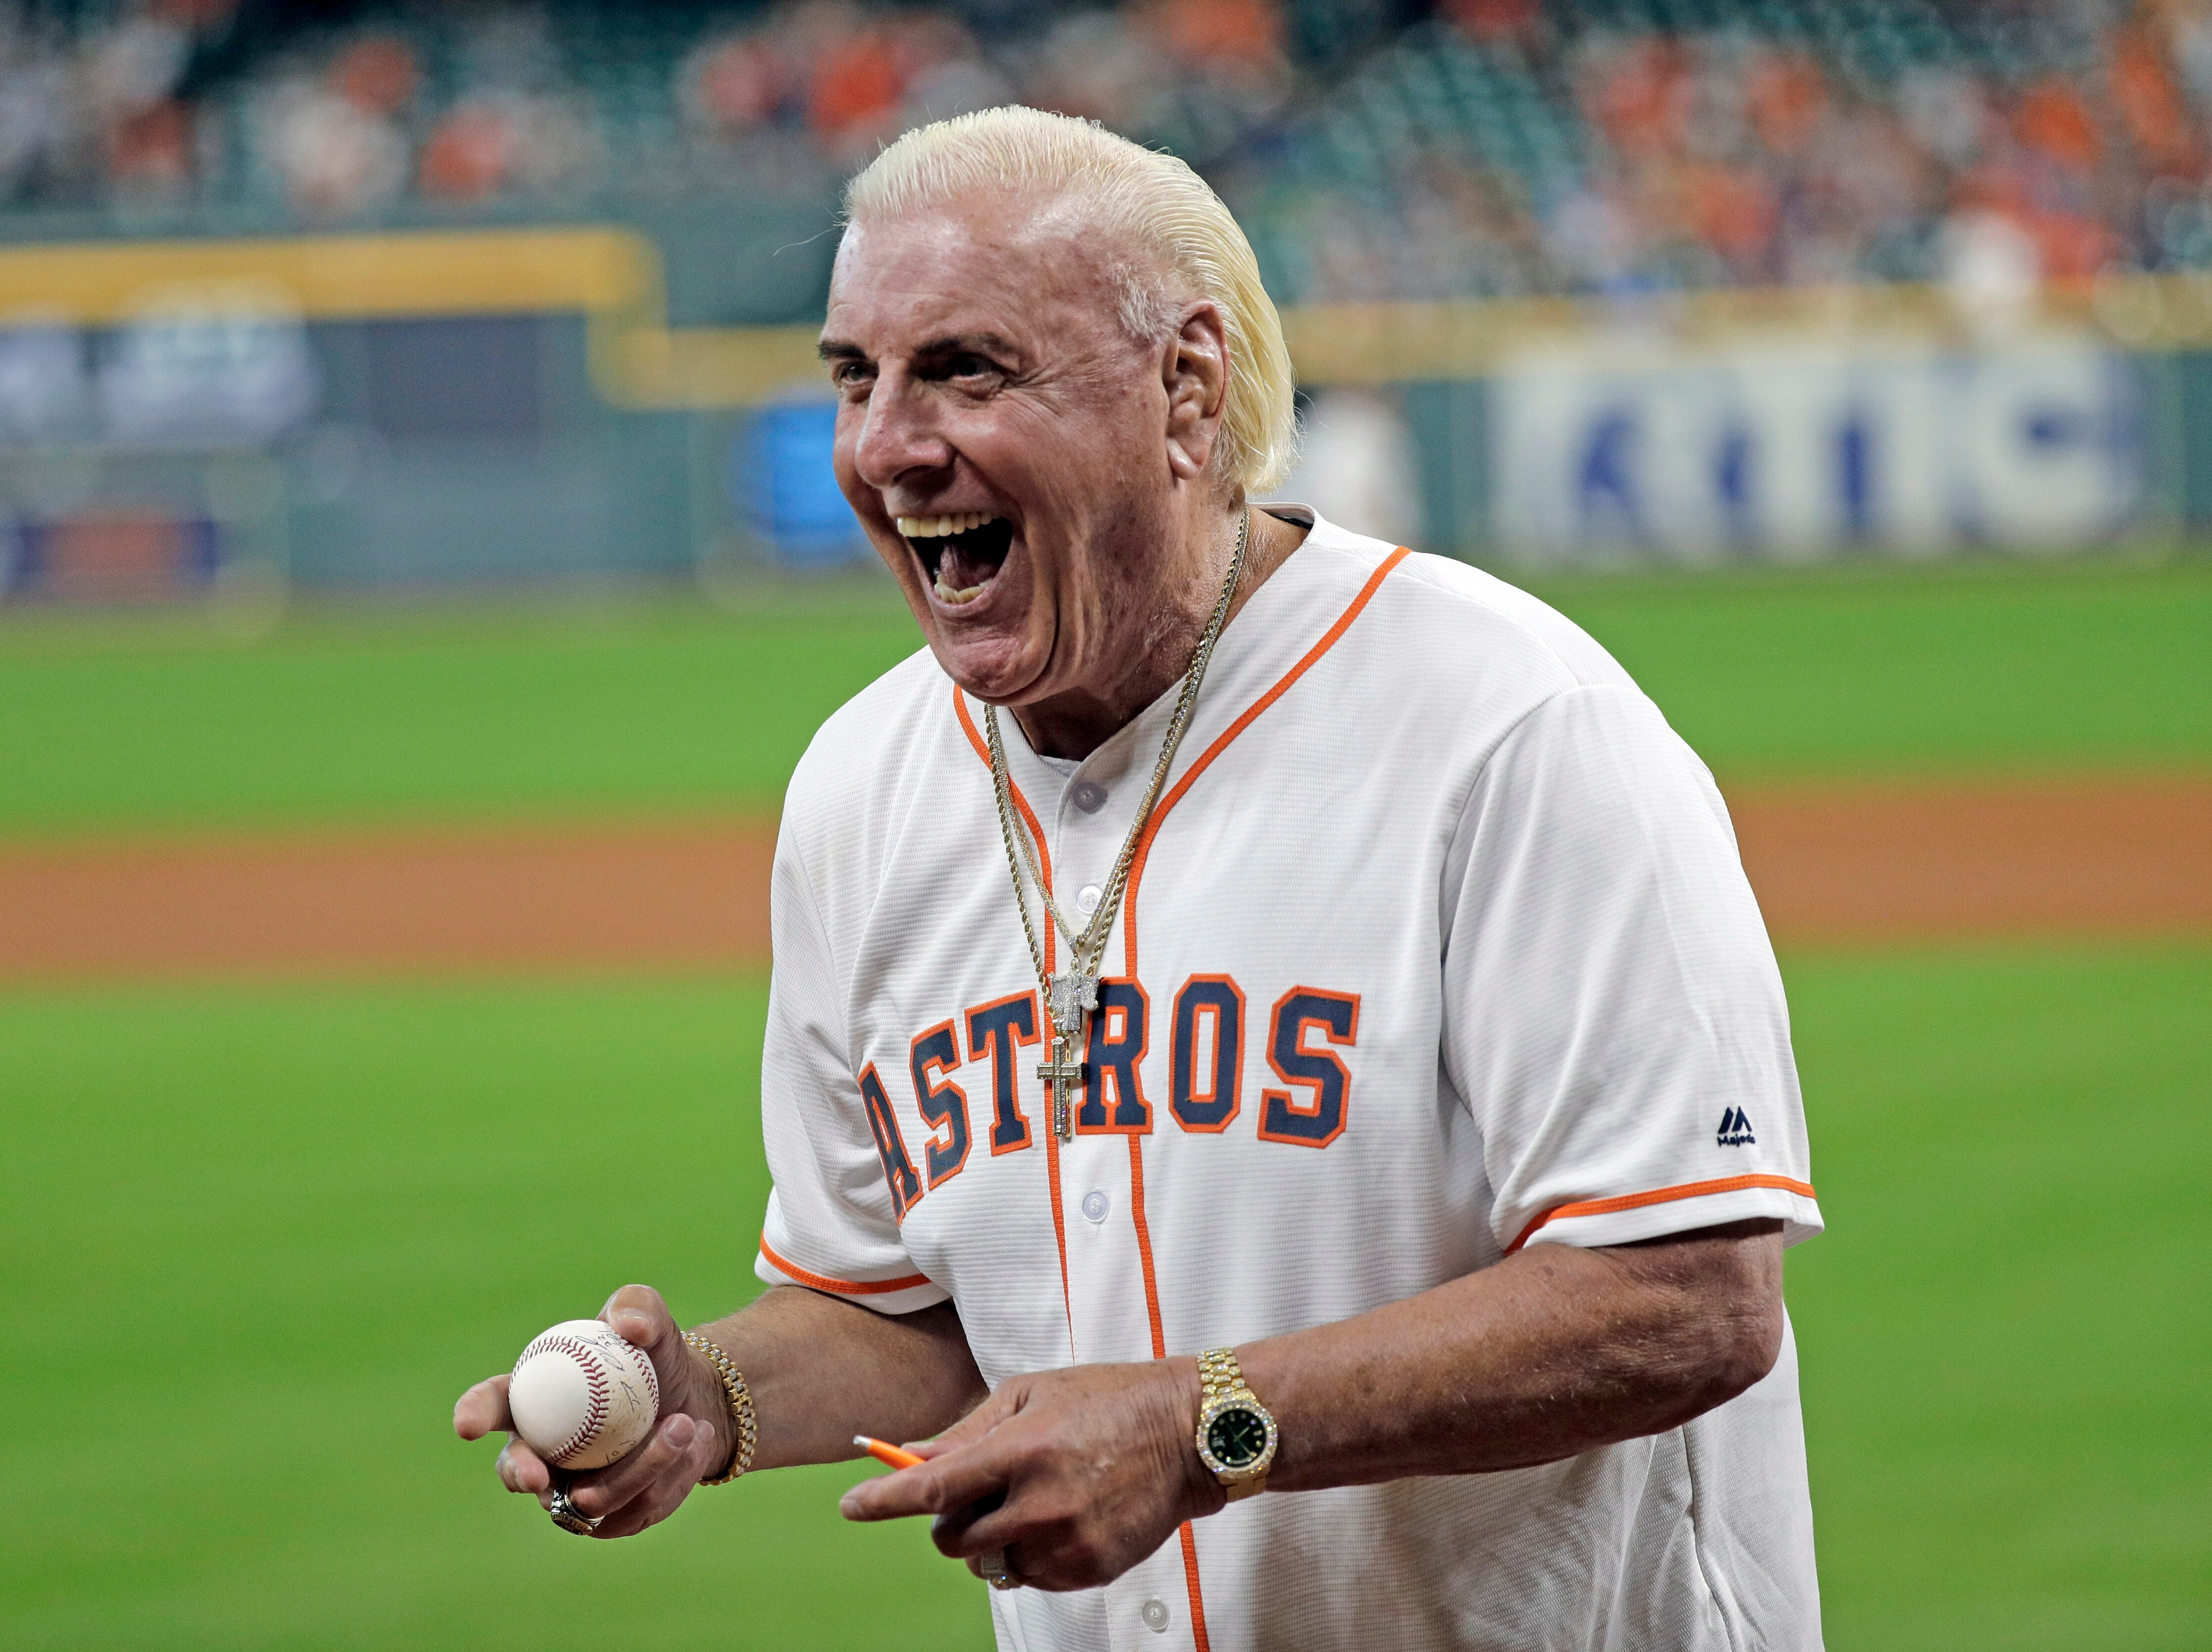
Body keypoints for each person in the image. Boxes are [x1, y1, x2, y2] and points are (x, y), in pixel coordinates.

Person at [455, 106, 1823, 1652]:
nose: (886, 445)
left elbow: (1686, 1303)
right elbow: (907, 1309)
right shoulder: (861, 788)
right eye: (855, 377)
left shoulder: (1508, 728)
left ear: (1187, 388)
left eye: (968, 370)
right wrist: (715, 1398)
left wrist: (1200, 1426)